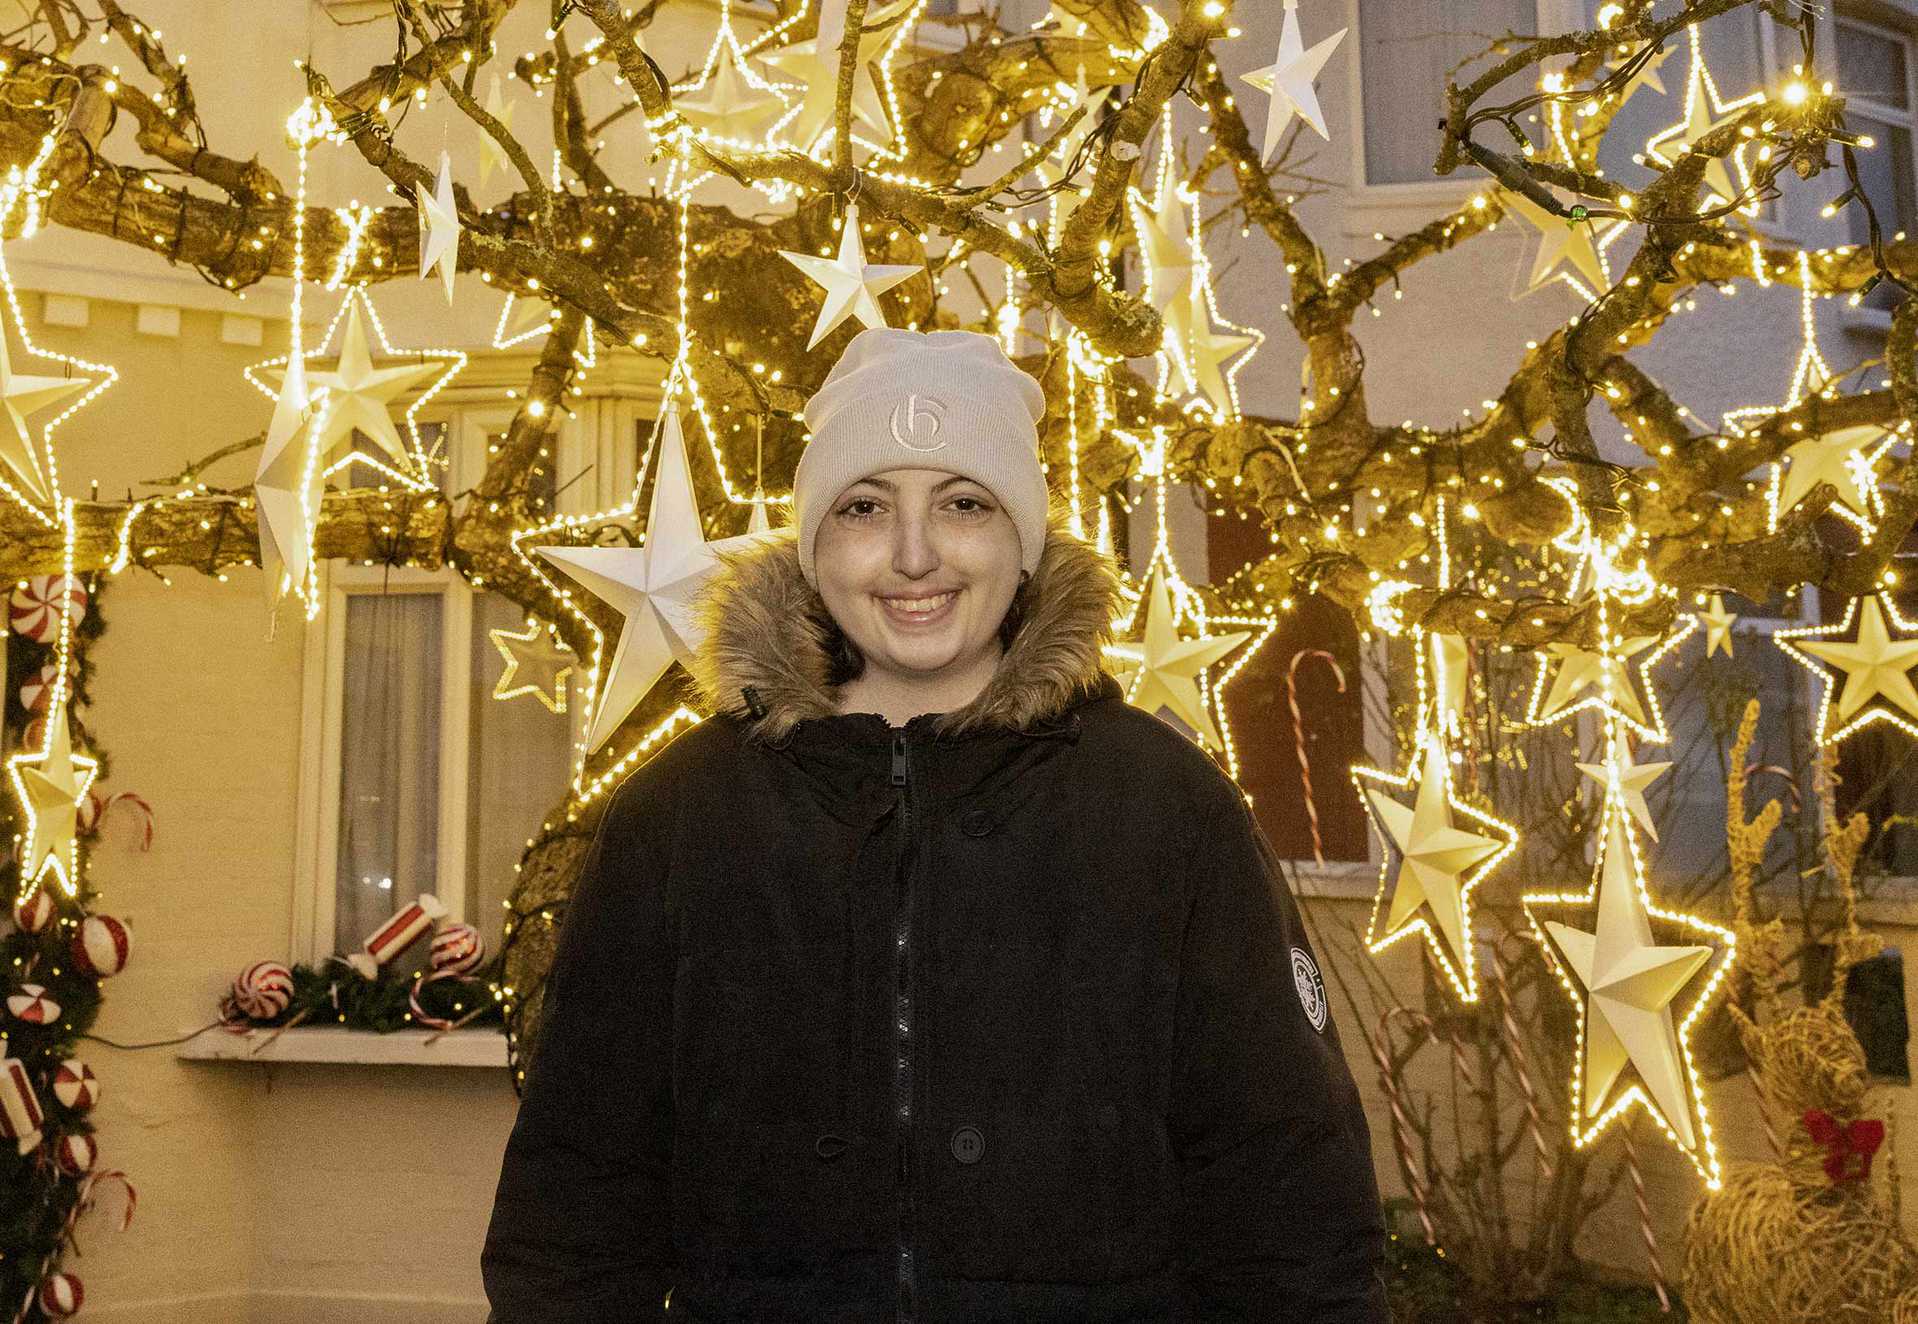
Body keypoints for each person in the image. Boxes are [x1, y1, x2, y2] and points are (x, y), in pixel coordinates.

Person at [481, 326, 1389, 1323]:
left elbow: (1289, 1203)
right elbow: (573, 1213)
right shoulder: (678, 816)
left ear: (1022, 540)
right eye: (866, 507)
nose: (914, 555)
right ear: (815, 542)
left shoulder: (1166, 810)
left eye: (963, 503)